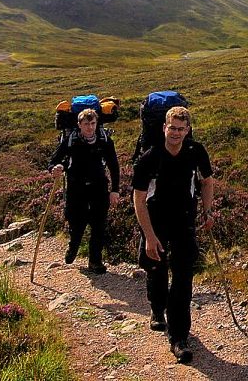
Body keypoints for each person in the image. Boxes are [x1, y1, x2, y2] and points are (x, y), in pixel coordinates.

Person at [131, 106, 215, 365]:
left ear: (188, 130)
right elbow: (139, 199)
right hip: (156, 221)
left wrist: (208, 211)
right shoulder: (149, 158)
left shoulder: (195, 151)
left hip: (184, 221)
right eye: (172, 128)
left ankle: (179, 338)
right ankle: (157, 308)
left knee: (183, 278)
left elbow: (207, 181)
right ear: (163, 128)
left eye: (181, 129)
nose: (176, 133)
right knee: (156, 268)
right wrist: (149, 236)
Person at [49, 108, 121, 274]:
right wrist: (55, 168)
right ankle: (73, 246)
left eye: (93, 123)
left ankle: (95, 261)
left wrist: (115, 190)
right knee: (77, 223)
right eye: (86, 124)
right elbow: (54, 160)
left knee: (99, 226)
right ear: (79, 125)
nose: (90, 127)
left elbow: (114, 166)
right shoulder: (70, 141)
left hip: (99, 187)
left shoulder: (105, 141)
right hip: (76, 189)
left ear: (97, 124)